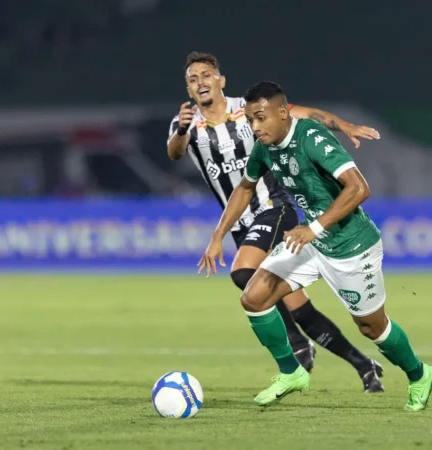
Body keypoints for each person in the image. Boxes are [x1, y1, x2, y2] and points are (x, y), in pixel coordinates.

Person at [198, 80, 432, 411]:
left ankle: (420, 374)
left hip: (351, 245)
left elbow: (359, 188)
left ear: (283, 113)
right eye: (250, 119)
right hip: (310, 241)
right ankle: (291, 372)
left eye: (261, 118)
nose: (255, 126)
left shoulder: (311, 138)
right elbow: (245, 188)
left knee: (371, 327)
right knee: (254, 296)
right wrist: (217, 236)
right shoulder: (265, 148)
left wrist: (315, 227)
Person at [168, 51, 383, 392]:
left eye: (206, 75)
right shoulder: (187, 123)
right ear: (188, 89)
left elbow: (305, 114)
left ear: (220, 79)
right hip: (242, 223)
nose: (200, 82)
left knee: (241, 272)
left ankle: (296, 347)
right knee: (297, 307)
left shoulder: (252, 108)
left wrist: (344, 125)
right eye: (192, 80)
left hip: (274, 206)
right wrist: (180, 129)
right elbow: (175, 152)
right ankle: (364, 365)